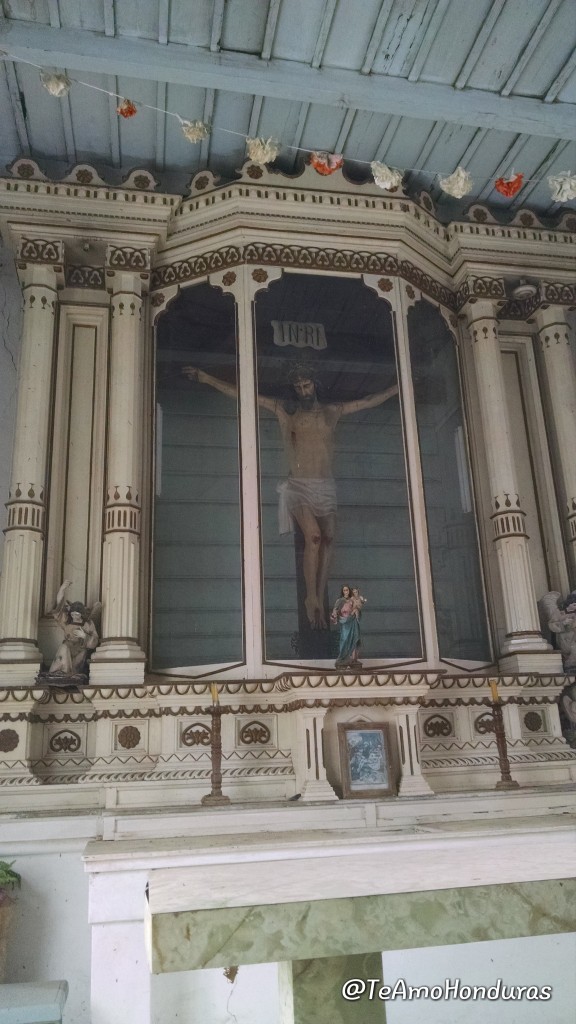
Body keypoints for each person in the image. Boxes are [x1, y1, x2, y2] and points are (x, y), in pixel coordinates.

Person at [183, 362, 398, 629]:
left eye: (306, 385)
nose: (302, 390)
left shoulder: (333, 411)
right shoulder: (287, 411)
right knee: (315, 537)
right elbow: (246, 395)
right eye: (297, 387)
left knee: (329, 538)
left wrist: (399, 387)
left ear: (315, 385)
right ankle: (311, 597)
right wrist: (206, 377)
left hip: (325, 484)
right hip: (298, 485)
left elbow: (367, 401)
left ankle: (320, 594)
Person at [46, 580, 100, 677]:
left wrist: (85, 636)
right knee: (64, 647)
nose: (75, 616)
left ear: (82, 614)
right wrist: (62, 589)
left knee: (75, 668)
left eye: (77, 614)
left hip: (79, 652)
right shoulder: (67, 621)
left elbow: (95, 640)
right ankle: (59, 672)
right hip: (67, 649)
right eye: (73, 614)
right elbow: (59, 609)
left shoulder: (87, 624)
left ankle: (70, 673)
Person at [331, 584, 361, 668]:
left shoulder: (352, 600)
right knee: (344, 640)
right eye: (344, 590)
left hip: (352, 621)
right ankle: (342, 658)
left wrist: (356, 610)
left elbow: (357, 607)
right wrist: (335, 614)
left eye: (347, 590)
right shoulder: (340, 600)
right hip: (345, 622)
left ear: (349, 591)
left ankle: (352, 658)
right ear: (342, 591)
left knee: (353, 638)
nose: (346, 592)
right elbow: (335, 609)